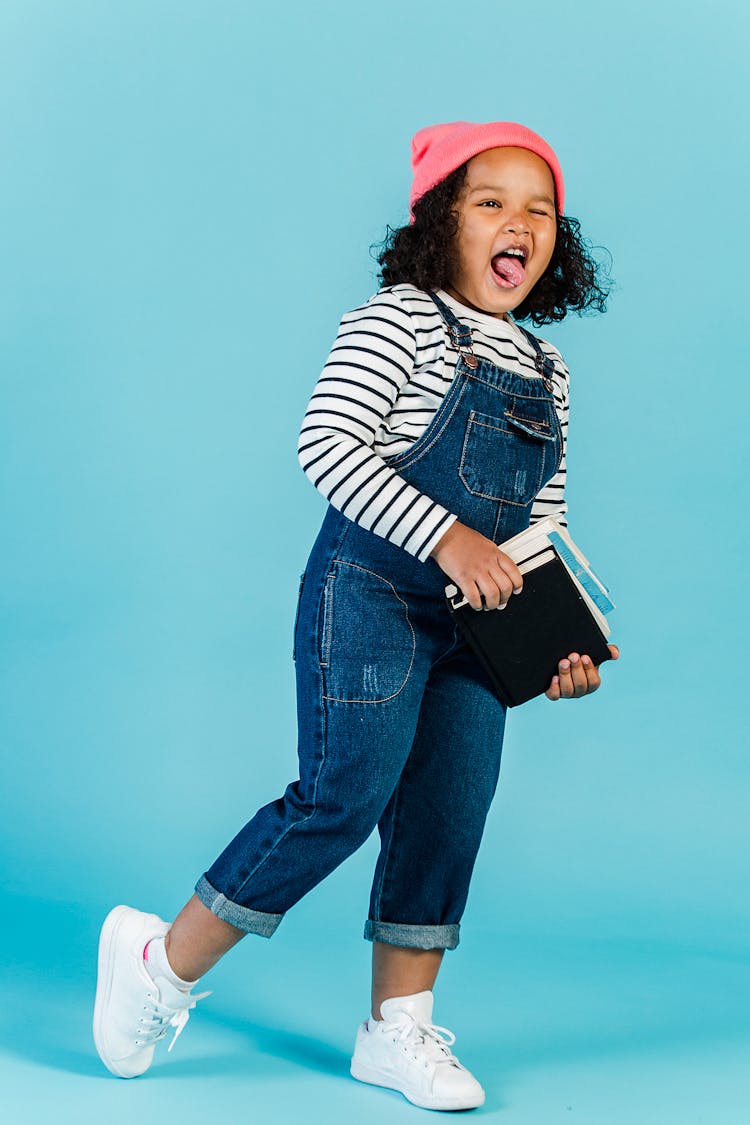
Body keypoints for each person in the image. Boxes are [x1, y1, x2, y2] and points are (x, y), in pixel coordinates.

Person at [93, 119, 619, 1112]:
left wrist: (554, 642)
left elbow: (539, 520)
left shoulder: (547, 369)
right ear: (439, 225)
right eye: (491, 203)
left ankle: (397, 1031)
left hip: (479, 622)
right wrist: (447, 541)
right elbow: (328, 446)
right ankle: (160, 963)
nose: (520, 224)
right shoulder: (399, 320)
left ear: (559, 240)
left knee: (448, 813)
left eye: (539, 210)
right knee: (345, 796)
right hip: (371, 594)